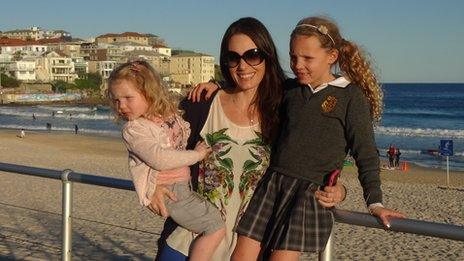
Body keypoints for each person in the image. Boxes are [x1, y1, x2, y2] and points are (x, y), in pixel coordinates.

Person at [152, 17, 347, 261]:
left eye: (252, 55)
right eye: (233, 58)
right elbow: (152, 141)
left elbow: (319, 151)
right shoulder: (202, 104)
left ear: (267, 56)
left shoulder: (286, 106)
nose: (242, 66)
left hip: (249, 247)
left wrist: (339, 189)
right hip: (189, 242)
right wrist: (153, 184)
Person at [229, 16, 406, 261]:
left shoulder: (350, 97)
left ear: (331, 56)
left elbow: (365, 153)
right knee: (240, 257)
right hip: (272, 185)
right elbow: (248, 90)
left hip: (309, 193)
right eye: (293, 57)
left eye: (307, 58)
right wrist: (216, 87)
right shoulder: (289, 90)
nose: (297, 64)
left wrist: (374, 203)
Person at [107, 60, 225, 261]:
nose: (121, 106)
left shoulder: (163, 117)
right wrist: (196, 155)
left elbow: (181, 127)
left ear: (149, 93)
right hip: (170, 191)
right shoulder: (135, 129)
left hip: (181, 188)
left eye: (128, 98)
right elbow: (160, 159)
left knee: (208, 222)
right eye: (117, 100)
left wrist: (217, 86)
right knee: (215, 226)